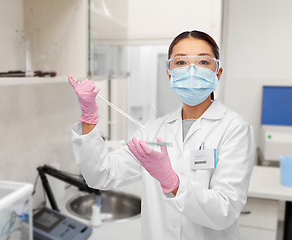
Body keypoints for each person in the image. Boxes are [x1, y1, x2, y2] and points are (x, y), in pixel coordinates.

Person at [68, 30, 255, 240]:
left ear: (217, 72)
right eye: (181, 62)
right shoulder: (153, 130)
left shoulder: (235, 128)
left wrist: (172, 182)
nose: (191, 70)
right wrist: (89, 117)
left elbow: (225, 211)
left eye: (203, 62)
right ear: (170, 73)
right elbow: (101, 175)